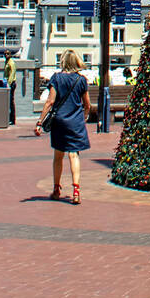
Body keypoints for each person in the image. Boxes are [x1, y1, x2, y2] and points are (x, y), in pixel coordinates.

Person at [35, 50, 91, 205]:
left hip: (59, 121)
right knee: (74, 155)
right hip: (75, 122)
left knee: (58, 156)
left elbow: (50, 102)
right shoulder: (81, 80)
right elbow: (87, 104)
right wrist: (84, 116)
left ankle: (56, 189)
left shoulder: (57, 78)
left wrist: (40, 122)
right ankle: (76, 190)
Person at [4, 50, 17, 126]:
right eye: (5, 54)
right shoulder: (7, 62)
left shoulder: (11, 62)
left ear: (10, 54)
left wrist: (8, 83)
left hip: (11, 84)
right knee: (9, 102)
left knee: (11, 102)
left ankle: (12, 119)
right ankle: (9, 118)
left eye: (7, 54)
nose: (6, 55)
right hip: (8, 83)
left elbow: (12, 74)